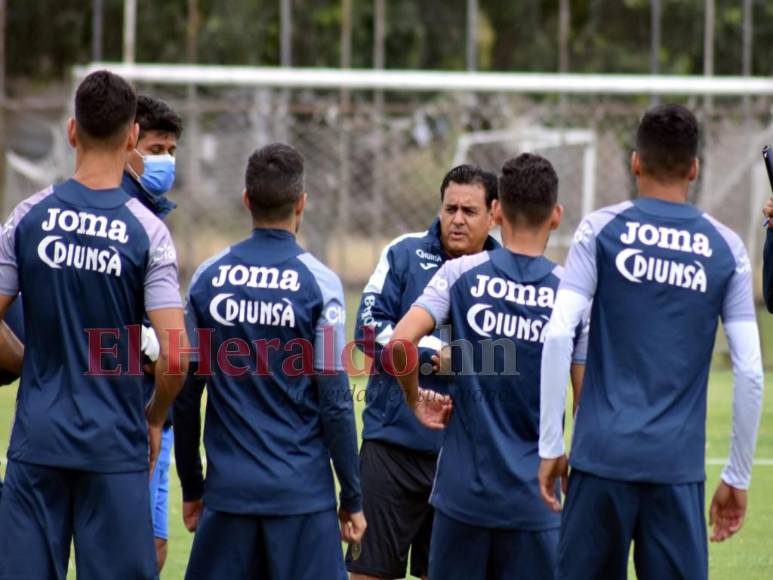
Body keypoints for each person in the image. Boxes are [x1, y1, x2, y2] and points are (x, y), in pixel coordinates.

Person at [539, 104, 764, 580]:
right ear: (695, 169)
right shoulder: (727, 248)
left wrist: (551, 443)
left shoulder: (599, 229)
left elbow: (558, 332)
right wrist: (737, 475)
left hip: (600, 461)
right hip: (675, 470)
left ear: (635, 162)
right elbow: (749, 371)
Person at [0, 70, 187, 579]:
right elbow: (177, 355)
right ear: (132, 137)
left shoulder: (27, 217)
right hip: (115, 447)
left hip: (38, 443)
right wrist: (154, 417)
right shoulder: (149, 232)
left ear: (70, 131)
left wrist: (26, 358)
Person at [387, 153, 587, 579]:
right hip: (538, 499)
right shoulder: (572, 292)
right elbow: (585, 399)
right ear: (555, 216)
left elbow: (400, 344)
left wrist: (414, 399)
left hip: (462, 498)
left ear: (496, 211)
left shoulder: (459, 273)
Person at [177, 143, 365, 579]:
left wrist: (192, 485)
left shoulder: (208, 277)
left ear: (246, 200)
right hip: (301, 498)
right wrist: (352, 497)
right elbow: (335, 400)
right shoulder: (320, 283)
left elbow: (187, 394)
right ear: (302, 203)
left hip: (229, 496)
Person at [347, 164, 499, 580]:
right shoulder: (404, 253)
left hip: (463, 456)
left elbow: (513, 356)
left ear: (495, 213)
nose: (457, 219)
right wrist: (433, 352)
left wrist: (462, 358)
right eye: (450, 208)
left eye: (469, 210)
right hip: (391, 447)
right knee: (367, 574)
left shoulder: (505, 272)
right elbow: (366, 330)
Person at [124, 94, 184, 573]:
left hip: (153, 407)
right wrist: (146, 341)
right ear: (130, 145)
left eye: (172, 151)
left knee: (154, 544)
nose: (167, 161)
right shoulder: (114, 211)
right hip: (118, 408)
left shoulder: (154, 213)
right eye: (158, 149)